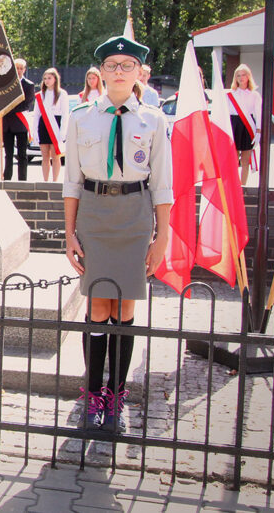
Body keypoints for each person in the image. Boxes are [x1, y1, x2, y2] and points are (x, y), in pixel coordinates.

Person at [63, 35, 172, 433]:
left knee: (124, 309)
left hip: (134, 214)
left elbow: (162, 184)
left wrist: (162, 236)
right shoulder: (80, 117)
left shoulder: (154, 120)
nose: (120, 72)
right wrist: (69, 233)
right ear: (101, 73)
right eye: (112, 65)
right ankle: (93, 394)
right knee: (97, 308)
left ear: (139, 72)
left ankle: (117, 396)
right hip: (94, 213)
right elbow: (72, 181)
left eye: (128, 65)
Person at [32, 67, 69, 181]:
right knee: (45, 156)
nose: (47, 80)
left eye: (49, 78)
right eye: (45, 78)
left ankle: (55, 180)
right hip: (44, 125)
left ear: (55, 79)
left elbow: (65, 114)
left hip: (55, 125)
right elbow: (36, 114)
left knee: (55, 155)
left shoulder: (62, 94)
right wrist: (35, 131)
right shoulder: (40, 95)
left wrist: (63, 131)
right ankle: (45, 180)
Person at [227, 64, 261, 185]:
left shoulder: (254, 95)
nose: (241, 78)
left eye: (243, 75)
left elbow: (258, 113)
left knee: (245, 161)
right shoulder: (229, 94)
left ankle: (243, 185)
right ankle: (234, 185)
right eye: (238, 75)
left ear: (248, 77)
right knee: (233, 160)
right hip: (234, 125)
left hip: (248, 127)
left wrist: (258, 131)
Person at [2, 58, 35, 181]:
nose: (19, 70)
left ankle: (22, 180)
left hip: (20, 123)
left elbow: (26, 104)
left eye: (21, 68)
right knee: (8, 154)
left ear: (25, 70)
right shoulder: (6, 84)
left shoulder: (29, 85)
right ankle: (7, 178)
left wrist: (9, 109)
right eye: (17, 68)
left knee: (22, 154)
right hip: (7, 125)